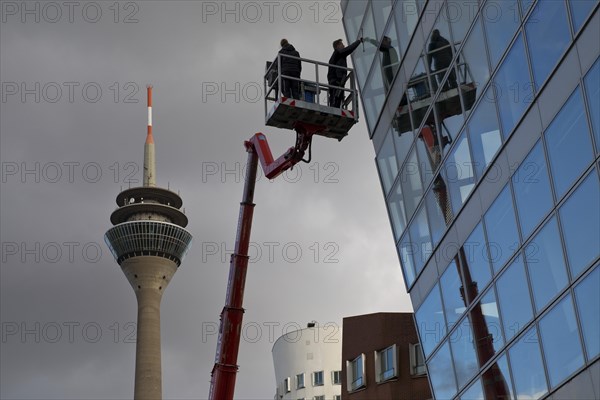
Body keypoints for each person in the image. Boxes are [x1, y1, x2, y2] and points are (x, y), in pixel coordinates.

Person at [327, 38, 362, 108]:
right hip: (336, 80)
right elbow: (349, 49)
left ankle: (334, 110)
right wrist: (358, 41)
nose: (344, 46)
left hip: (335, 80)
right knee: (336, 99)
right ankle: (335, 110)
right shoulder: (338, 53)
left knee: (336, 99)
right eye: (342, 44)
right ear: (338, 46)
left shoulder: (336, 56)